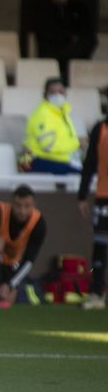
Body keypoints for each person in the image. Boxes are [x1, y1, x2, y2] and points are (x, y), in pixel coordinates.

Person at [34, 0, 97, 85]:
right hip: (52, 58)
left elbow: (88, 37)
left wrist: (72, 45)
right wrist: (68, 38)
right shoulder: (40, 9)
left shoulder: (80, 9)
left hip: (78, 61)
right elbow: (45, 34)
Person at [22, 78, 82, 176]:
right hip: (35, 161)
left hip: (57, 161)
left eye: (60, 91)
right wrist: (77, 143)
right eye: (52, 92)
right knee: (85, 176)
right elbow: (48, 145)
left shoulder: (62, 113)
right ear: (45, 95)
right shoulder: (42, 114)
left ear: (66, 93)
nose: (57, 95)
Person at [78, 118, 108, 310]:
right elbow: (90, 161)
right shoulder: (101, 128)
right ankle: (97, 294)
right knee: (100, 245)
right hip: (104, 195)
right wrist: (82, 195)